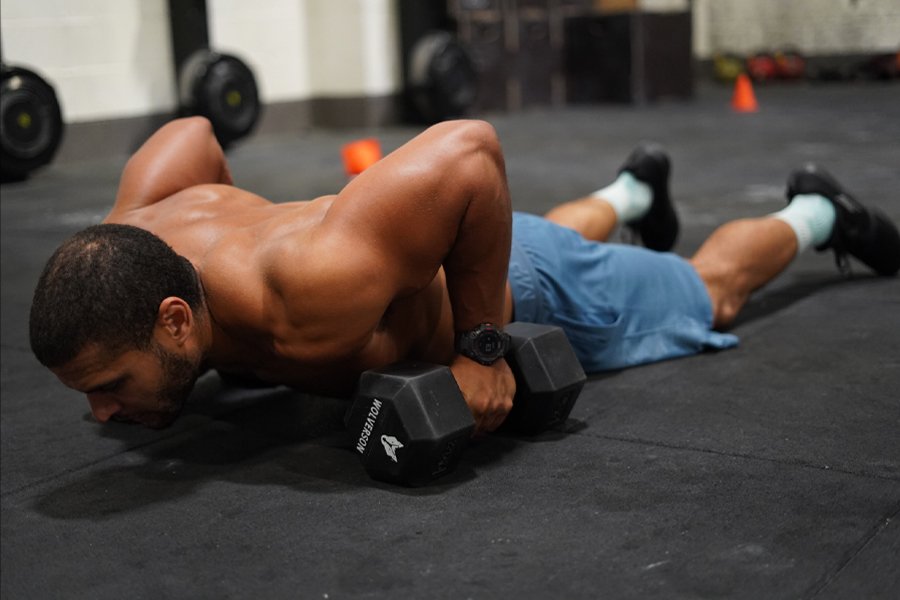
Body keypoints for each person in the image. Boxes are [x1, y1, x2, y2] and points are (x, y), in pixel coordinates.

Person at [29, 117, 900, 433]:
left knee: (708, 290)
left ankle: (819, 212)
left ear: (177, 319)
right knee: (546, 234)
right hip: (429, 248)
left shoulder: (311, 285)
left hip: (514, 275)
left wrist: (484, 348)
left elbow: (470, 152)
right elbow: (188, 134)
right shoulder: (128, 244)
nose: (103, 412)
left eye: (110, 386)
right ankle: (633, 188)